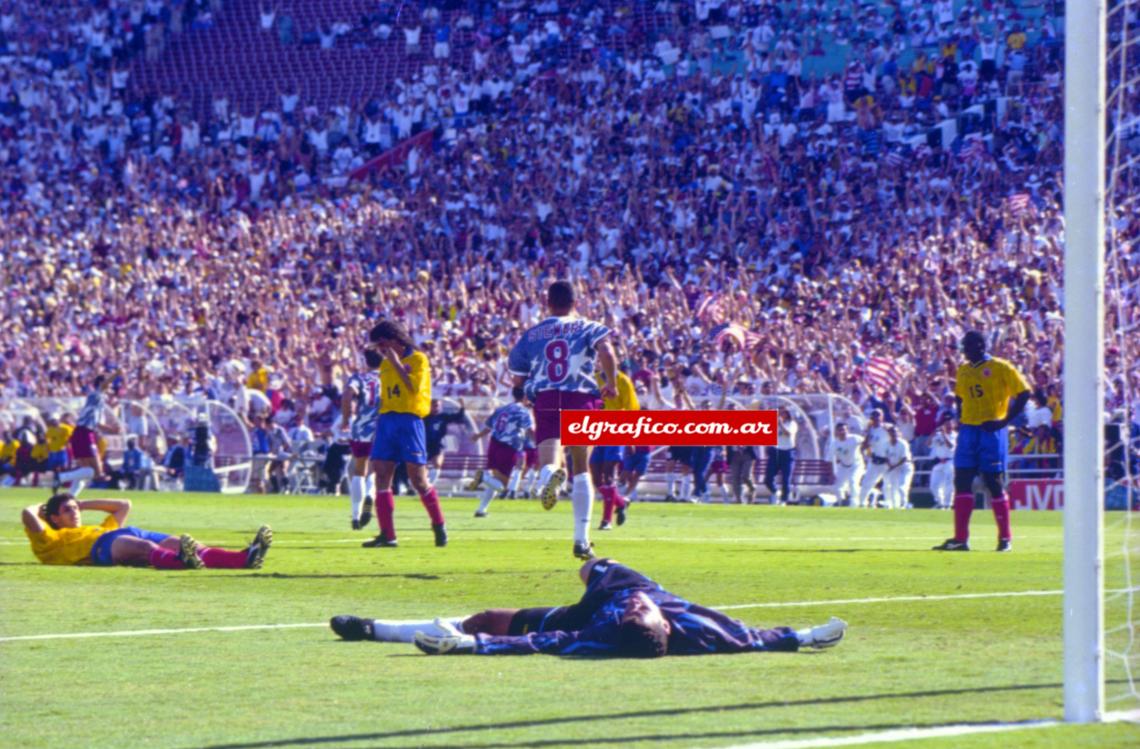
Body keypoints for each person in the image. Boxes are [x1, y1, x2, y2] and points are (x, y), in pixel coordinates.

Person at [329, 557, 847, 657]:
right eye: (641, 613)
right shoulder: (696, 627)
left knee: (487, 617)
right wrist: (803, 636)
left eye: (633, 614)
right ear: (659, 622)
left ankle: (374, 629)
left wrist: (472, 644)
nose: (637, 610)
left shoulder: (603, 627)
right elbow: (755, 635)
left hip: (587, 606)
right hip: (621, 588)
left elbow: (538, 641)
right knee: (597, 563)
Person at [508, 280, 618, 559]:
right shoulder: (587, 326)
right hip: (580, 396)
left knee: (550, 449)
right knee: (582, 467)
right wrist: (612, 382)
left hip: (546, 395)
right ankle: (581, 540)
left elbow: (518, 376)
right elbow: (606, 351)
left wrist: (521, 393)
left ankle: (548, 476)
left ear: (548, 303)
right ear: (575, 302)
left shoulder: (532, 334)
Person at [934, 330, 1030, 552]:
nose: (964, 352)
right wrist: (960, 418)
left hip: (991, 431)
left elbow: (1024, 393)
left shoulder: (1001, 367)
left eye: (967, 347)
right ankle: (961, 539)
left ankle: (1005, 539)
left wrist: (1003, 421)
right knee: (962, 480)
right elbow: (960, 396)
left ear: (979, 346)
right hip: (969, 431)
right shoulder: (964, 370)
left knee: (993, 482)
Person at [363, 320, 448, 549]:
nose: (380, 349)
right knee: (381, 475)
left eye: (382, 343)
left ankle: (439, 524)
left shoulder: (418, 359)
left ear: (393, 339)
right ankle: (388, 535)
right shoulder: (384, 365)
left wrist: (397, 364)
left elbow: (413, 389)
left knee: (418, 480)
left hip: (410, 421)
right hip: (387, 420)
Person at [21, 494, 272, 570]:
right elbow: (27, 514)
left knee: (186, 543)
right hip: (101, 548)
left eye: (76, 509)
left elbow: (124, 504)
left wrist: (81, 502)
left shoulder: (94, 525)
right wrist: (40, 507)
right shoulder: (50, 540)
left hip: (117, 535)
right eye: (68, 510)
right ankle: (181, 563)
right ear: (54, 517)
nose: (75, 512)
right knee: (145, 549)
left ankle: (244, 558)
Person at [467, 387, 534, 517]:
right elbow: (530, 430)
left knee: (495, 481)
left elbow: (489, 427)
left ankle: (481, 509)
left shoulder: (501, 409)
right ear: (525, 397)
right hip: (508, 447)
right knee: (503, 486)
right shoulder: (523, 412)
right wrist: (540, 443)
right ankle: (483, 477)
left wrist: (478, 436)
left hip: (494, 444)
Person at [57, 372, 120, 496]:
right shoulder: (97, 395)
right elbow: (104, 384)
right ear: (102, 384)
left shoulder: (99, 403)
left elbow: (97, 424)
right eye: (109, 384)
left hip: (81, 433)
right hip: (84, 433)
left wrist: (111, 430)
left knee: (85, 472)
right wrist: (117, 373)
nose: (110, 387)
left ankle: (70, 497)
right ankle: (61, 477)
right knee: (98, 473)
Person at [591, 367, 637, 529]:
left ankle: (606, 521)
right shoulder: (593, 378)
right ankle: (621, 502)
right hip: (594, 430)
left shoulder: (623, 381)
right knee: (596, 479)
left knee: (609, 473)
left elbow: (632, 409)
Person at [342, 348, 383, 530]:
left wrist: (345, 418)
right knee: (374, 469)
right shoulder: (387, 378)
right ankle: (370, 497)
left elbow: (347, 395)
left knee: (359, 469)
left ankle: (356, 515)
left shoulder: (359, 378)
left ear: (366, 362)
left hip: (361, 427)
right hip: (382, 427)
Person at [423, 399, 471, 486]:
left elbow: (459, 417)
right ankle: (422, 485)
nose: (435, 408)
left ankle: (429, 486)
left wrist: (462, 407)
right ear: (429, 407)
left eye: (437, 406)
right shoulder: (424, 418)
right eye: (433, 406)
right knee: (421, 467)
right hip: (425, 445)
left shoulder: (443, 417)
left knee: (437, 464)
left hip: (438, 445)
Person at [856, 409, 891, 508]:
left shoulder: (887, 428)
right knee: (866, 483)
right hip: (875, 460)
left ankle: (889, 504)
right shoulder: (870, 430)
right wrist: (867, 433)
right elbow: (865, 446)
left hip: (886, 461)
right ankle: (862, 503)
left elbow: (897, 439)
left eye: (878, 415)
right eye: (874, 416)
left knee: (888, 485)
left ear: (882, 417)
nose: (876, 418)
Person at [764, 406, 798, 504]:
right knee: (768, 478)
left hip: (787, 453)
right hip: (775, 451)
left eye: (784, 413)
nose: (781, 414)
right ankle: (776, 492)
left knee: (786, 478)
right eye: (780, 413)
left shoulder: (792, 424)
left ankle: (784, 500)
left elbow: (788, 434)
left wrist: (780, 423)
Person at [881, 425, 914, 510]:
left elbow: (904, 458)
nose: (893, 434)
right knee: (892, 487)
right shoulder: (886, 444)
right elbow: (886, 457)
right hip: (894, 467)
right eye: (891, 432)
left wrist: (893, 466)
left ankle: (905, 504)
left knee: (902, 487)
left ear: (898, 433)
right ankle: (894, 505)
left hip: (905, 466)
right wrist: (889, 465)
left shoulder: (903, 443)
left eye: (895, 432)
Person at [929, 421, 956, 509]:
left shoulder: (955, 435)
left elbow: (951, 446)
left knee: (949, 484)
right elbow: (928, 444)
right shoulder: (938, 435)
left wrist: (944, 435)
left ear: (953, 425)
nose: (948, 426)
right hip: (939, 462)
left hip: (950, 461)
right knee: (934, 485)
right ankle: (940, 503)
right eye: (946, 424)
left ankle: (948, 504)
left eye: (950, 424)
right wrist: (932, 434)